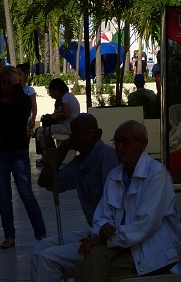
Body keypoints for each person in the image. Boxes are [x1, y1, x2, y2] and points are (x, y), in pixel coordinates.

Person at [74, 120, 180, 282]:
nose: (119, 148)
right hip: (121, 247)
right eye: (116, 142)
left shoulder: (157, 175)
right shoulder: (115, 175)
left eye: (125, 142)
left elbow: (143, 226)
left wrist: (105, 238)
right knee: (91, 259)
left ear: (142, 143)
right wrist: (103, 228)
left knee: (93, 268)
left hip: (152, 252)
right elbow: (102, 215)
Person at [31, 113, 118, 282]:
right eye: (76, 134)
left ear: (98, 134)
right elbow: (45, 181)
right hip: (95, 230)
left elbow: (114, 205)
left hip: (109, 234)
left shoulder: (106, 155)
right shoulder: (79, 163)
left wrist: (99, 237)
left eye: (86, 132)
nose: (81, 138)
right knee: (40, 249)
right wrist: (63, 148)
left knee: (48, 259)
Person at [0, 66, 46, 249]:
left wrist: (17, 85)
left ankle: (41, 234)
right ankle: (9, 236)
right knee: (3, 196)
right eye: (4, 82)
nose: (7, 86)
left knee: (26, 194)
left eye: (10, 83)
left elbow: (25, 107)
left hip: (18, 151)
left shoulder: (21, 101)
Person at [35, 78, 80, 166]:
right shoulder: (69, 96)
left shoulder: (64, 99)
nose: (50, 95)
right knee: (47, 131)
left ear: (57, 89)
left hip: (66, 128)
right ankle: (52, 154)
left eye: (51, 92)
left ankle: (45, 158)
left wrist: (55, 115)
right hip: (71, 126)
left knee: (40, 131)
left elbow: (67, 114)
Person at [17, 63, 37, 135]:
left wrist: (33, 118)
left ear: (25, 75)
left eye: (19, 74)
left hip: (26, 119)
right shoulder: (11, 89)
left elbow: (34, 106)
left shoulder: (30, 90)